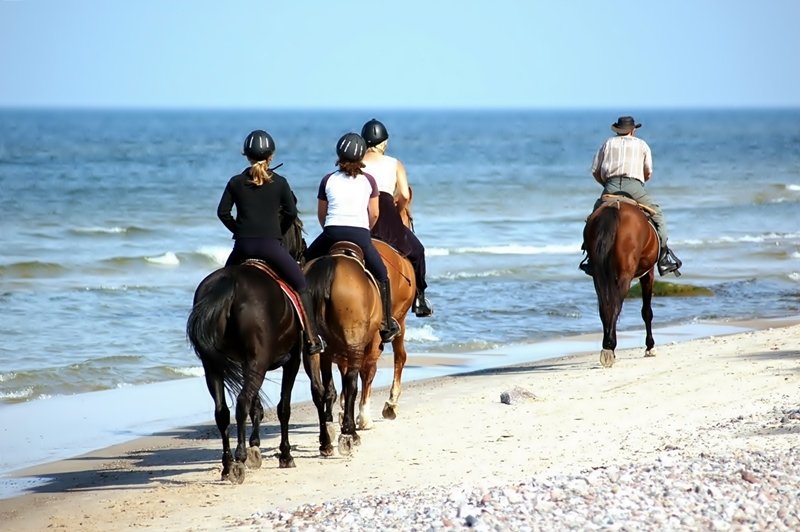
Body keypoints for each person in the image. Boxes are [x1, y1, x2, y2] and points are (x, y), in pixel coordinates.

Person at [217, 129, 325, 355]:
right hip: (270, 247)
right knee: (301, 286)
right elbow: (291, 212)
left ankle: (221, 339)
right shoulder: (280, 182)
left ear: (246, 155)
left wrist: (240, 230)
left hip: (242, 247)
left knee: (221, 289)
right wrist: (277, 232)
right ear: (271, 156)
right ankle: (313, 339)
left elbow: (223, 213)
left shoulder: (235, 182)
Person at [303, 132, 401, 343]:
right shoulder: (369, 181)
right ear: (360, 158)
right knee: (382, 274)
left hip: (331, 233)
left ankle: (301, 321)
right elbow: (374, 213)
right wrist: (365, 231)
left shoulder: (327, 179)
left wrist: (330, 230)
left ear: (339, 155)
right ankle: (386, 323)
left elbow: (322, 213)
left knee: (303, 264)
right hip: (360, 235)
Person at [581, 116, 682, 276]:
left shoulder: (607, 143)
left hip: (610, 187)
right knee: (659, 216)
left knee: (593, 217)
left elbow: (595, 171)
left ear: (617, 130)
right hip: (634, 187)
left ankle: (590, 257)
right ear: (633, 130)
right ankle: (663, 258)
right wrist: (637, 184)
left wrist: (606, 185)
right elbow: (648, 172)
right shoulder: (641, 145)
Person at [360, 118, 432, 317]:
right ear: (384, 143)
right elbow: (406, 195)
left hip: (360, 215)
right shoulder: (394, 163)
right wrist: (397, 208)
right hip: (386, 215)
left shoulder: (354, 163)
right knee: (417, 251)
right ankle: (420, 298)